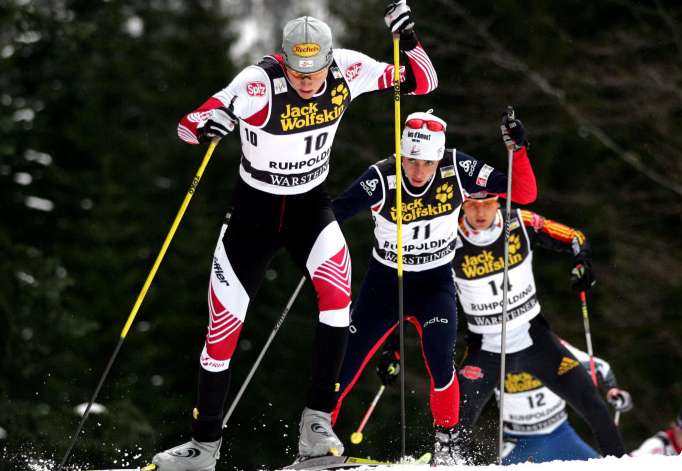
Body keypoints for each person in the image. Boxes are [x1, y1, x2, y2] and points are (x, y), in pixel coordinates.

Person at [152, 3, 438, 470]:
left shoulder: (348, 69)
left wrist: (408, 37)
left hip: (310, 209)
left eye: (316, 73)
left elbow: (421, 83)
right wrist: (212, 125)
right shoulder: (257, 84)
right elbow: (188, 126)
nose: (307, 83)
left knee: (337, 299)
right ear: (283, 60)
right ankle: (203, 447)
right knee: (222, 330)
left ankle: (315, 426)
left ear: (329, 60)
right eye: (298, 73)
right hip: (252, 216)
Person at [330, 108, 537, 465]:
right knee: (343, 363)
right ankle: (318, 437)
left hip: (434, 283)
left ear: (439, 156)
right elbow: (334, 212)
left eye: (427, 162)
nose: (418, 171)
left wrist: (518, 150)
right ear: (401, 153)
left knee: (442, 363)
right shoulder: (382, 175)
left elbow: (522, 193)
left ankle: (447, 444)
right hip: (386, 283)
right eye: (411, 160)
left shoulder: (457, 168)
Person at [450, 196, 627, 460]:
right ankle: (446, 465)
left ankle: (622, 464)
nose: (480, 211)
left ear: (497, 203)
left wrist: (583, 263)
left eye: (486, 203)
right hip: (486, 350)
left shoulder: (520, 223)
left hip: (536, 342)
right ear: (462, 205)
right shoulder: (448, 239)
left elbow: (574, 237)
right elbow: (417, 284)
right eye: (472, 204)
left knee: (593, 403)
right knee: (454, 422)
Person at [499, 339, 632, 464]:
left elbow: (599, 366)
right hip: (520, 440)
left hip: (560, 434)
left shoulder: (549, 343)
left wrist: (612, 390)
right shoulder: (493, 349)